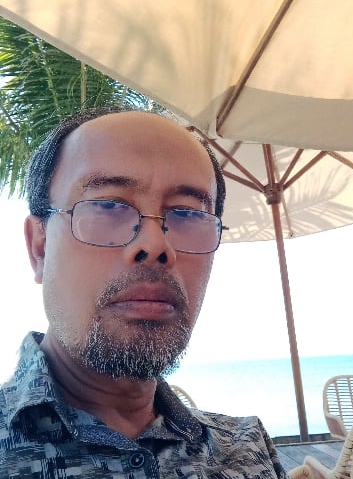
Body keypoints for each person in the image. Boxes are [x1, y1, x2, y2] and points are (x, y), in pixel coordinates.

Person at [0, 107, 289, 478]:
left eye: (188, 213)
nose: (154, 245)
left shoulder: (245, 449)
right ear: (39, 247)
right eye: (107, 205)